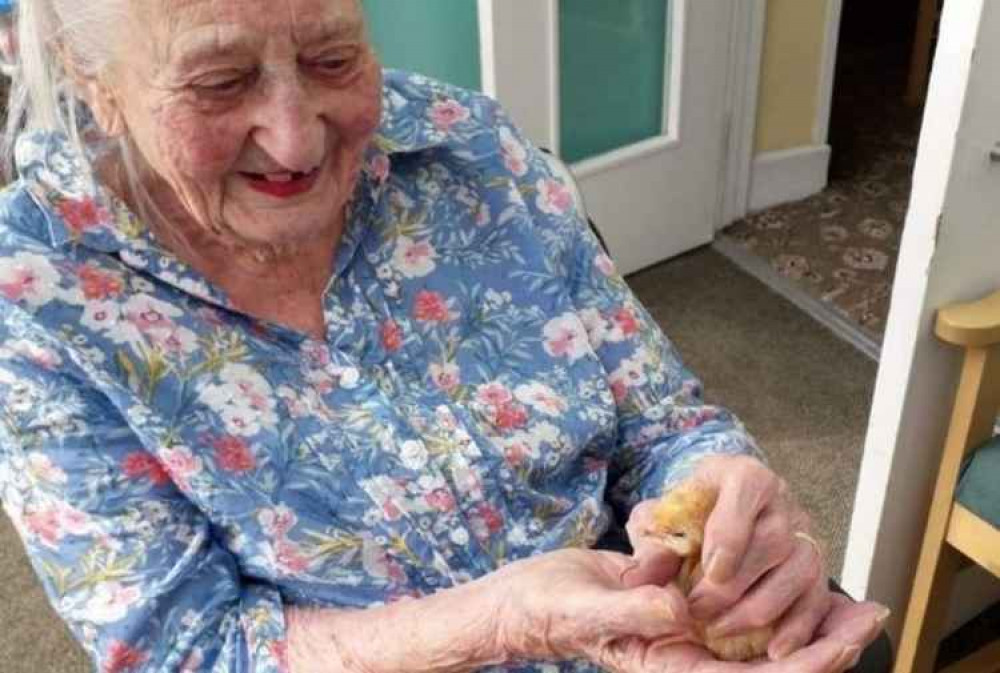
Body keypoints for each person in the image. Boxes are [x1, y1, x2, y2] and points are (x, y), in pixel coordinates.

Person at [0, 1, 888, 671]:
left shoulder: (472, 149)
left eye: (332, 57)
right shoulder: (36, 295)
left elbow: (658, 421)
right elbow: (188, 648)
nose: (297, 135)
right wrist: (504, 619)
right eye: (220, 82)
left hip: (641, 632)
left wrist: (721, 497)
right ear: (95, 83)